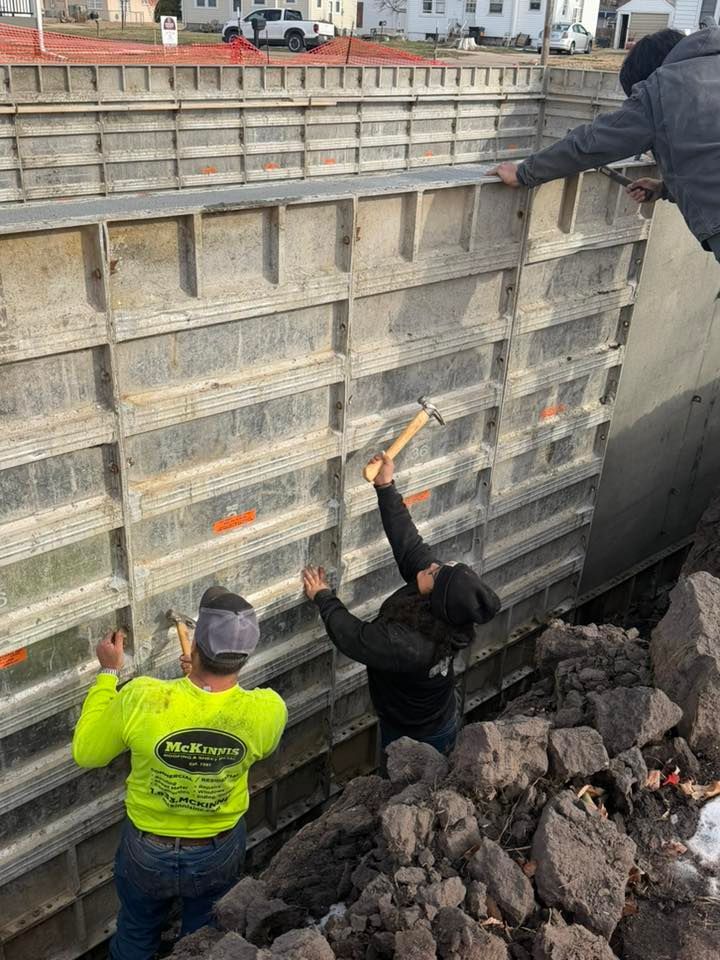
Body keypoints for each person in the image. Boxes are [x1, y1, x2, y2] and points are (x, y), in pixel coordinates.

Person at [72, 587, 287, 960]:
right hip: (217, 850)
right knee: (202, 936)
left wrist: (108, 674)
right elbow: (243, 733)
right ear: (246, 655)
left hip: (146, 849)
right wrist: (201, 690)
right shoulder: (268, 711)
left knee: (137, 933)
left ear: (197, 647)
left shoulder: (142, 697)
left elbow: (87, 752)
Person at [302, 453, 500, 756]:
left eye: (434, 574)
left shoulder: (409, 644)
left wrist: (323, 596)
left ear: (435, 598)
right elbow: (409, 544)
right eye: (438, 567)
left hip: (416, 735)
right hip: (437, 713)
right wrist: (385, 486)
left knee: (404, 788)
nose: (430, 567)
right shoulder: (442, 608)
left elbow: (355, 638)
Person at [490, 27, 720, 263]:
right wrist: (665, 188)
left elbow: (592, 144)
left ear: (649, 76)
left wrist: (523, 171)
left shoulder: (661, 89)